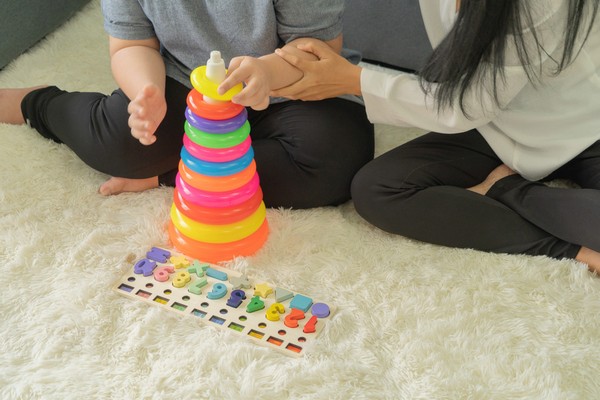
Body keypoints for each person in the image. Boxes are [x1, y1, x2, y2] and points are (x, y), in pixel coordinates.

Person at [265, 0, 600, 272]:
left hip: (586, 129)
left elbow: (467, 103)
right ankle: (565, 246)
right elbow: (471, 100)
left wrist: (356, 81)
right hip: (496, 125)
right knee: (377, 189)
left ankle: (505, 190)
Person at [0, 1, 374, 209]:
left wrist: (268, 73)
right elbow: (131, 45)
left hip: (293, 84)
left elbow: (317, 50)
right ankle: (41, 104)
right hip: (184, 80)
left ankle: (167, 177)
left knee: (335, 161)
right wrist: (148, 92)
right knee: (118, 143)